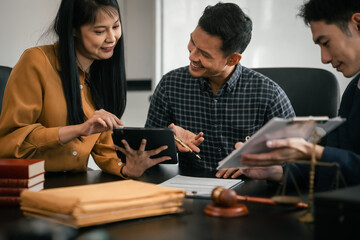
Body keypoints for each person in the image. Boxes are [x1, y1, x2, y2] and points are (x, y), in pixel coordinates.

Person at [0, 0, 171, 179]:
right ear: (73, 29)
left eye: (116, 26)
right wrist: (78, 130)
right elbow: (11, 141)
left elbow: (104, 148)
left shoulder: (101, 72)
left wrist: (126, 169)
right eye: (100, 31)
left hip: (76, 180)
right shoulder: (36, 62)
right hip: (31, 182)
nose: (112, 38)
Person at [145, 2, 295, 176]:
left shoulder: (269, 95)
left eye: (204, 54)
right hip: (188, 189)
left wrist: (259, 162)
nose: (192, 56)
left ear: (232, 59)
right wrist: (168, 139)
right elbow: (146, 150)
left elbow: (298, 161)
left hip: (250, 192)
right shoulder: (170, 85)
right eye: (192, 42)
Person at [236, 0, 360, 190]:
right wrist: (275, 171)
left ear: (357, 23)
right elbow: (338, 171)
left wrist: (311, 151)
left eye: (326, 43)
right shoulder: (354, 90)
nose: (324, 58)